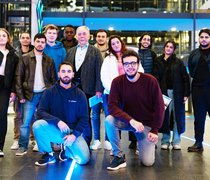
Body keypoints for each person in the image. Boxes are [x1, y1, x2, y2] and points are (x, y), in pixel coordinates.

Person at [105, 50, 164, 170]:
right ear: (123, 65)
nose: (130, 66)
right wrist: (131, 120)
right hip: (128, 122)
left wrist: (154, 130)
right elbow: (112, 106)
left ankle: (143, 144)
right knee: (109, 120)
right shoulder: (117, 82)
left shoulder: (150, 81)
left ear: (138, 64)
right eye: (126, 64)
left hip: (145, 125)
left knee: (147, 162)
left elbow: (159, 106)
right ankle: (119, 156)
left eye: (133, 63)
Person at [33, 62, 90, 166]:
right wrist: (57, 121)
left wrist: (74, 135)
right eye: (63, 71)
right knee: (38, 125)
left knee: (83, 160)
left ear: (73, 74)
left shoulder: (80, 94)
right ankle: (48, 154)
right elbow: (40, 112)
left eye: (69, 71)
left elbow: (84, 118)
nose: (66, 74)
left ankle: (67, 151)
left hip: (72, 133)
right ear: (59, 74)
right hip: (55, 130)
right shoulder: (49, 92)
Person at [15, 33, 57, 156]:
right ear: (34, 42)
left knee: (44, 122)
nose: (40, 44)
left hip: (45, 95)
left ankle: (42, 144)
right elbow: (18, 77)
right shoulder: (25, 58)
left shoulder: (49, 60)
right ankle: (22, 146)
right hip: (29, 95)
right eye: (38, 41)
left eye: (42, 42)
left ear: (45, 44)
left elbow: (54, 80)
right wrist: (20, 96)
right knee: (25, 122)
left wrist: (52, 97)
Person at [65, 26, 103, 146]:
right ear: (76, 36)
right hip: (72, 89)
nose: (81, 36)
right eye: (79, 34)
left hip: (89, 89)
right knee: (72, 114)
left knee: (85, 115)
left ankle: (86, 140)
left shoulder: (95, 51)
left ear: (88, 36)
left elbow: (99, 71)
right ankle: (73, 139)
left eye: (84, 34)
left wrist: (98, 89)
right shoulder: (71, 51)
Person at [153, 40, 190, 150]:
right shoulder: (158, 61)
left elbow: (185, 79)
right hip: (163, 93)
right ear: (164, 47)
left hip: (177, 93)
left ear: (174, 50)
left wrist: (186, 94)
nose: (168, 48)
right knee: (165, 117)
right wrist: (157, 93)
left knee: (177, 117)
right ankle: (165, 140)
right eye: (167, 46)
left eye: (171, 47)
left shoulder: (178, 62)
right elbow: (155, 78)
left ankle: (176, 141)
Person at [128, 32, 157, 150]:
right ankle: (133, 140)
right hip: (135, 85)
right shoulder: (136, 53)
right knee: (133, 112)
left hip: (148, 86)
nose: (146, 41)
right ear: (140, 41)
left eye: (148, 40)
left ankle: (149, 138)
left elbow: (155, 70)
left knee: (148, 114)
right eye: (144, 39)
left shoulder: (153, 54)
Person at [11, 32, 35, 151]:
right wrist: (14, 90)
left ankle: (32, 138)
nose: (25, 40)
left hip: (30, 89)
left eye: (27, 38)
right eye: (23, 38)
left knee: (32, 115)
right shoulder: (14, 53)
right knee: (18, 115)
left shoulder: (34, 53)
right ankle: (17, 139)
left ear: (30, 40)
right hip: (17, 87)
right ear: (20, 39)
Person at [188, 28, 210, 152]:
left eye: (206, 37)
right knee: (199, 118)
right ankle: (198, 143)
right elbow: (191, 70)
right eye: (202, 37)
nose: (204, 39)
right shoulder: (194, 53)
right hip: (198, 89)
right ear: (198, 39)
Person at [90, 29, 110, 150]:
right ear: (96, 38)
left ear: (106, 38)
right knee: (95, 115)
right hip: (95, 89)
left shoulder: (111, 51)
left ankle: (108, 140)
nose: (101, 38)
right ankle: (96, 139)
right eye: (99, 36)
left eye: (103, 36)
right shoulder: (91, 50)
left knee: (109, 115)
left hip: (108, 89)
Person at [0, 28, 19, 157]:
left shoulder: (13, 55)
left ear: (8, 38)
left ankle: (0, 147)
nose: (1, 37)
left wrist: (13, 90)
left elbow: (15, 75)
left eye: (3, 36)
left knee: (2, 116)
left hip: (5, 87)